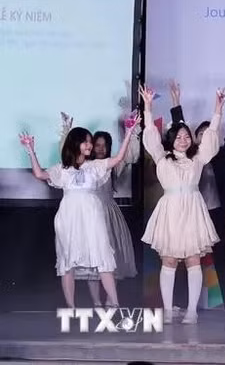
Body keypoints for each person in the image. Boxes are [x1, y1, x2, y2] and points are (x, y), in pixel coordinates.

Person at [19, 116, 138, 308]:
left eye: (90, 142)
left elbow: (118, 159)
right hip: (69, 215)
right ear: (75, 143)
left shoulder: (95, 166)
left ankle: (115, 303)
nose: (90, 145)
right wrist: (31, 151)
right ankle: (71, 308)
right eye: (86, 141)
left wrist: (129, 133)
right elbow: (40, 174)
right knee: (67, 260)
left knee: (102, 254)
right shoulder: (62, 169)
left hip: (92, 214)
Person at [139, 84, 225, 324]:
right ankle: (167, 311)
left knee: (193, 260)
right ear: (171, 139)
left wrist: (218, 109)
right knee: (168, 260)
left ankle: (191, 311)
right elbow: (150, 134)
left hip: (193, 210)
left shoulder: (198, 159)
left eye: (187, 136)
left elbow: (210, 138)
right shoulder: (161, 157)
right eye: (179, 137)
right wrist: (147, 106)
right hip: (170, 210)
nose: (184, 140)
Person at [167, 81, 225, 318]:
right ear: (194, 139)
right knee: (185, 257)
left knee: (223, 259)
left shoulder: (222, 157)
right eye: (200, 135)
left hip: (215, 214)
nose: (205, 138)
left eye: (209, 134)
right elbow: (179, 129)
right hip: (192, 213)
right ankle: (179, 304)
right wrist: (175, 103)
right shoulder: (189, 158)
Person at [58, 112, 140, 306]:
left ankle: (112, 301)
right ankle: (96, 301)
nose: (101, 148)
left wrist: (132, 131)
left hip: (107, 213)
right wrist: (66, 131)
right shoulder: (85, 166)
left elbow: (129, 156)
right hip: (85, 214)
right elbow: (65, 159)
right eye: (97, 144)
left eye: (105, 145)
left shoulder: (106, 166)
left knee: (108, 259)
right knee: (91, 259)